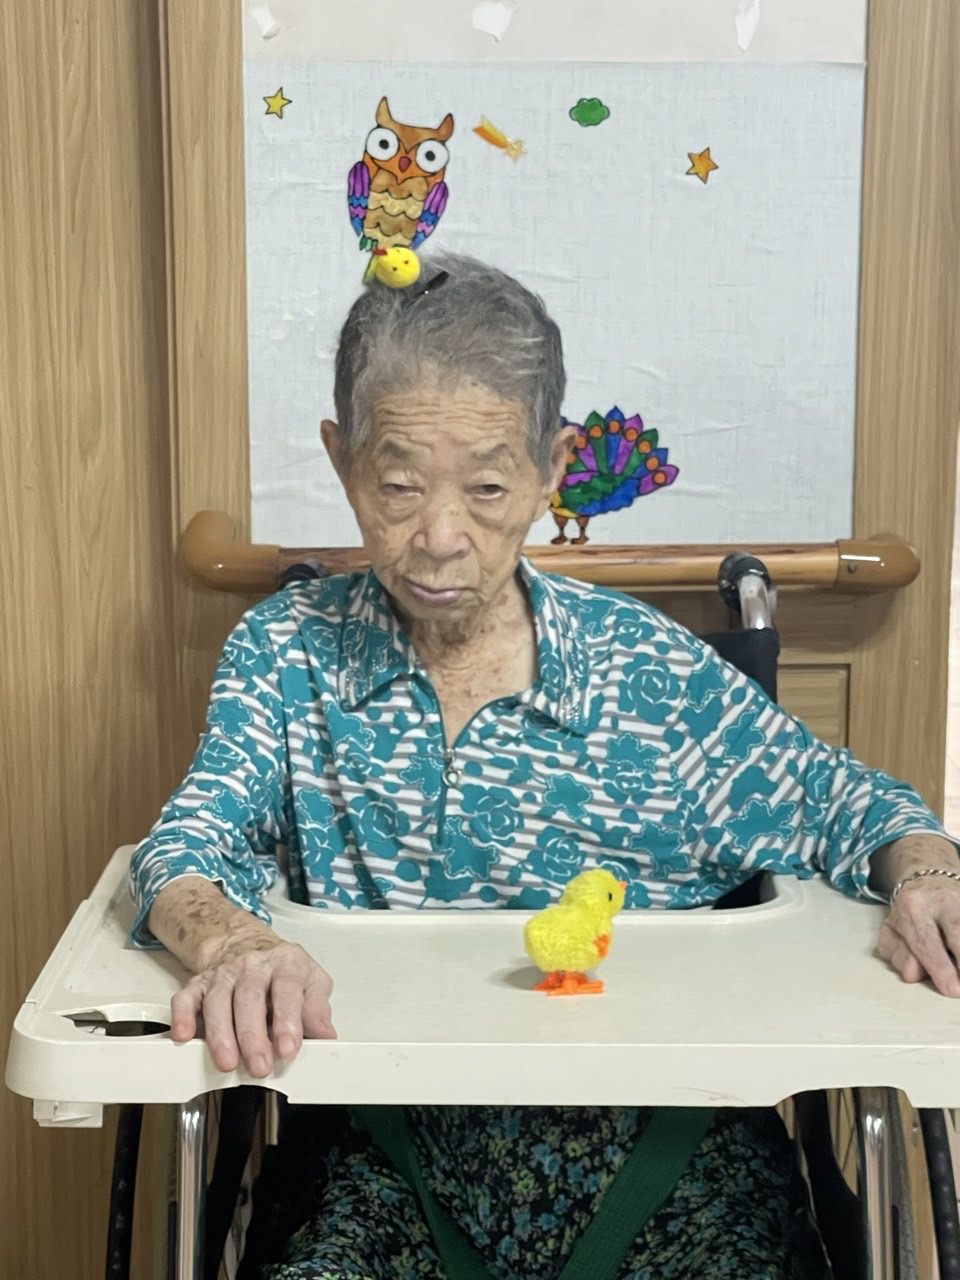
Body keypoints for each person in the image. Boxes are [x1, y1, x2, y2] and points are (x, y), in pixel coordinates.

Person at [132, 254, 960, 1280]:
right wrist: (234, 942)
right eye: (397, 485)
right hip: (384, 1158)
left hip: (665, 1155)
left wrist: (929, 874)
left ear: (553, 466)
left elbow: (855, 804)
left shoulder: (647, 674)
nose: (440, 538)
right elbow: (186, 844)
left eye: (486, 488)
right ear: (343, 461)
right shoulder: (287, 654)